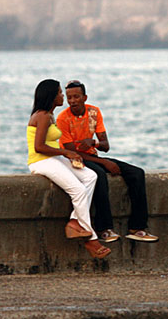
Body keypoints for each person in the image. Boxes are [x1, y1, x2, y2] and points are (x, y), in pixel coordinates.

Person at [58, 80, 158, 243]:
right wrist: (104, 163)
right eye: (69, 98)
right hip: (74, 159)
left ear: (85, 97)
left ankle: (137, 228)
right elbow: (72, 152)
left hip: (92, 156)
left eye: (76, 97)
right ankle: (104, 228)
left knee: (137, 173)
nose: (72, 101)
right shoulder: (63, 118)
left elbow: (105, 146)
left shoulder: (94, 112)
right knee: (99, 175)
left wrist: (94, 143)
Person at [27, 79, 110, 259]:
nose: (63, 96)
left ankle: (74, 222)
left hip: (53, 158)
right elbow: (39, 147)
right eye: (59, 93)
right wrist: (66, 152)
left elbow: (50, 144)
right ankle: (91, 239)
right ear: (51, 96)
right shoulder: (42, 116)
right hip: (41, 161)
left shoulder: (50, 115)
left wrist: (66, 155)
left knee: (90, 176)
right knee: (78, 190)